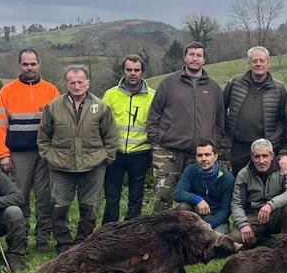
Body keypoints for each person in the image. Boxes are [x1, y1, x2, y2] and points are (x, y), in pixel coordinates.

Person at [37, 65, 119, 250]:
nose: (76, 86)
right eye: (72, 82)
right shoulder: (53, 107)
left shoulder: (101, 107)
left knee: (89, 206)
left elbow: (111, 136)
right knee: (59, 206)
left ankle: (83, 242)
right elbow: (43, 136)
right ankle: (64, 243)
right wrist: (48, 156)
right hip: (60, 165)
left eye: (80, 82)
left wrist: (106, 158)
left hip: (93, 165)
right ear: (66, 84)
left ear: (87, 83)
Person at [0, 48, 60, 251]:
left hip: (44, 154)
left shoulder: (51, 90)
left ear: (39, 64)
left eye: (33, 64)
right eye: (25, 64)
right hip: (18, 154)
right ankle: (19, 240)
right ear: (19, 66)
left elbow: (59, 124)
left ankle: (42, 240)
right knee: (19, 198)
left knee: (45, 197)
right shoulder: (7, 91)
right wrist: (3, 154)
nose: (29, 68)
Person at [146, 42, 226, 211]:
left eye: (198, 55)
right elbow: (154, 114)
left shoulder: (214, 88)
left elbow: (220, 120)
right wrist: (157, 141)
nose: (194, 58)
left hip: (198, 154)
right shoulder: (168, 83)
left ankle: (189, 234)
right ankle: (158, 234)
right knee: (163, 196)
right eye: (191, 54)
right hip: (168, 150)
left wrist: (214, 143)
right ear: (185, 57)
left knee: (196, 198)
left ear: (204, 60)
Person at [101, 55, 154, 224]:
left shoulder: (152, 96)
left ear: (142, 72)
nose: (132, 73)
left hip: (140, 153)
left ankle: (131, 232)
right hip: (115, 153)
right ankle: (108, 232)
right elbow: (100, 122)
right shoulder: (110, 94)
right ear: (123, 71)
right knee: (111, 196)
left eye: (136, 70)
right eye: (129, 70)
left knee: (136, 196)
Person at [222, 46, 287, 169]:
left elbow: (285, 120)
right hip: (238, 146)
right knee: (238, 182)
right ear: (249, 63)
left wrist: (275, 141)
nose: (258, 64)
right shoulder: (235, 83)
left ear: (268, 63)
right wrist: (227, 133)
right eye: (254, 61)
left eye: (262, 61)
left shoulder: (279, 88)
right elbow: (220, 109)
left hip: (264, 149)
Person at [229, 138, 287, 245]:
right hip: (253, 215)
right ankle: (260, 240)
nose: (261, 161)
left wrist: (271, 205)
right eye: (257, 156)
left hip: (276, 213)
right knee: (235, 238)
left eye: (265, 156)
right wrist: (243, 224)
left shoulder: (284, 169)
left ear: (272, 155)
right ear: (252, 157)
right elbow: (237, 203)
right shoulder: (243, 174)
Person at [172, 141, 235, 232]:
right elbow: (177, 194)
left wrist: (210, 225)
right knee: (183, 206)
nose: (203, 158)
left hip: (216, 219)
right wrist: (198, 199)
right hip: (195, 214)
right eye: (200, 155)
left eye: (207, 154)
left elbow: (225, 210)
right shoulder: (190, 170)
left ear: (215, 157)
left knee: (215, 242)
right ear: (196, 157)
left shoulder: (227, 178)